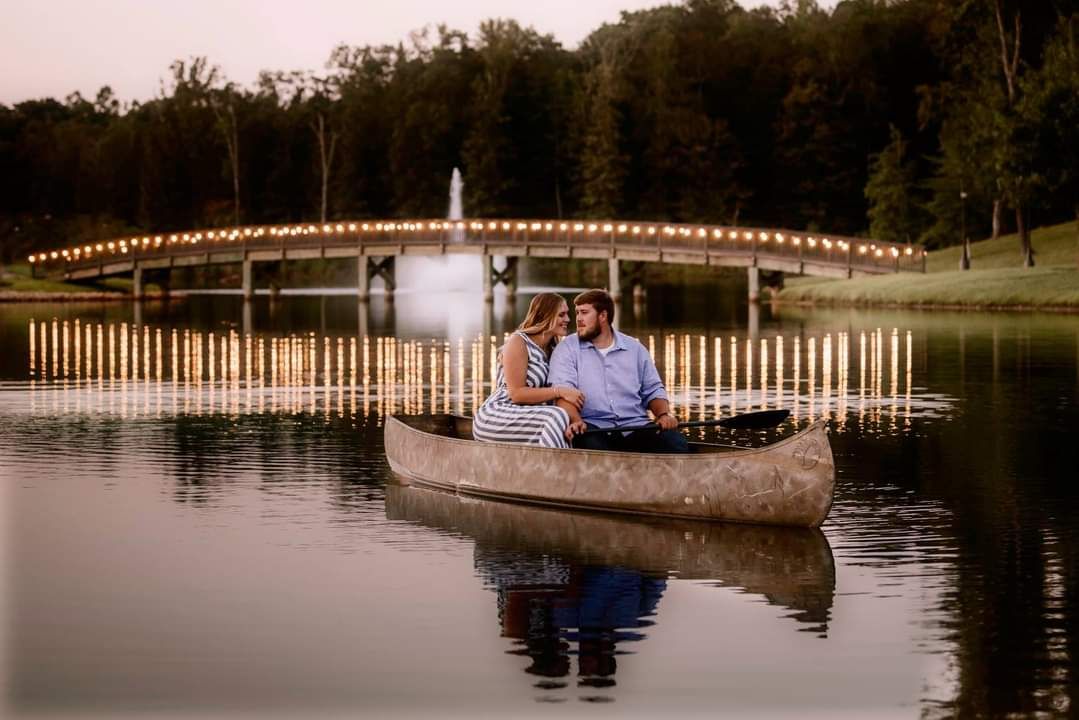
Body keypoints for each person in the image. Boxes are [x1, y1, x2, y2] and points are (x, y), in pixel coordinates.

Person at [548, 289, 688, 453]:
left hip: (636, 426)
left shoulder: (635, 348)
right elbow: (563, 395)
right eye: (577, 312)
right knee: (595, 451)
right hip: (592, 427)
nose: (578, 318)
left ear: (603, 316)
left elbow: (653, 390)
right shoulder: (567, 349)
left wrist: (664, 415)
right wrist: (576, 421)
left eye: (584, 313)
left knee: (675, 443)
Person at [473, 293, 585, 449]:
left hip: (530, 417)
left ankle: (551, 468)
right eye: (561, 315)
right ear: (546, 316)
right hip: (498, 414)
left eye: (567, 314)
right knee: (557, 415)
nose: (568, 319)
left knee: (562, 417)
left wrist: (576, 419)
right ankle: (559, 470)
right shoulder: (519, 341)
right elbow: (516, 394)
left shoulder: (554, 349)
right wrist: (560, 391)